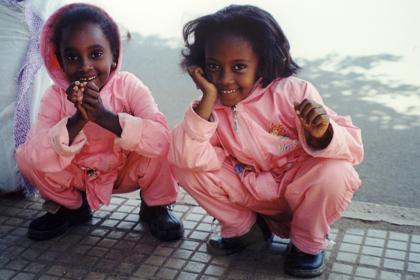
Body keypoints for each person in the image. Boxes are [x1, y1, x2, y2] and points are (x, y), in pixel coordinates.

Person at [168, 4, 363, 278]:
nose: (224, 79)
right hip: (251, 192)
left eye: (238, 67)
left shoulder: (294, 92)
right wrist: (207, 101)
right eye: (214, 66)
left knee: (336, 171)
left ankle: (307, 244)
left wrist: (323, 134)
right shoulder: (209, 107)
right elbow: (185, 158)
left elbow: (353, 149)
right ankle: (246, 230)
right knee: (185, 161)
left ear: (262, 60)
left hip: (299, 192)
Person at [16, 3, 183, 242]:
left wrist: (104, 117)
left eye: (95, 54)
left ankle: (156, 207)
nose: (85, 66)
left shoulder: (129, 86)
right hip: (80, 176)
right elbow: (37, 156)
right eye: (72, 57)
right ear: (61, 63)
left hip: (125, 172)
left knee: (164, 143)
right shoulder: (54, 96)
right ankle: (71, 207)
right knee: (26, 155)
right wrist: (79, 119)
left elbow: (160, 140)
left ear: (114, 56)